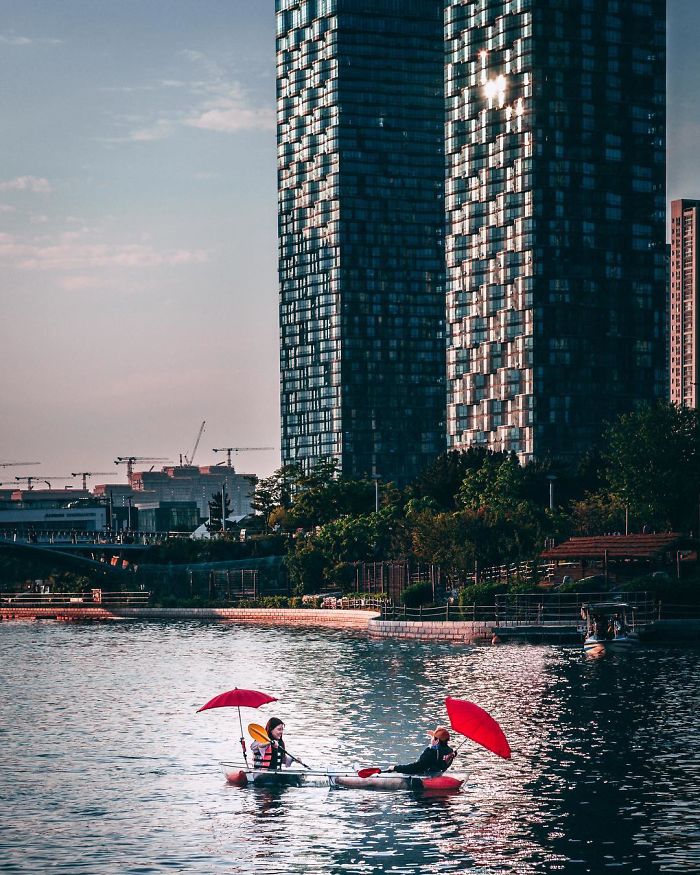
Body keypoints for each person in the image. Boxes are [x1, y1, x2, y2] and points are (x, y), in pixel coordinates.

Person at [385, 726, 456, 775]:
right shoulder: (450, 752)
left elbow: (417, 767)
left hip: (424, 777)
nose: (431, 739)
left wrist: (395, 768)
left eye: (432, 737)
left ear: (437, 740)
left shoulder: (431, 752)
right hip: (436, 774)